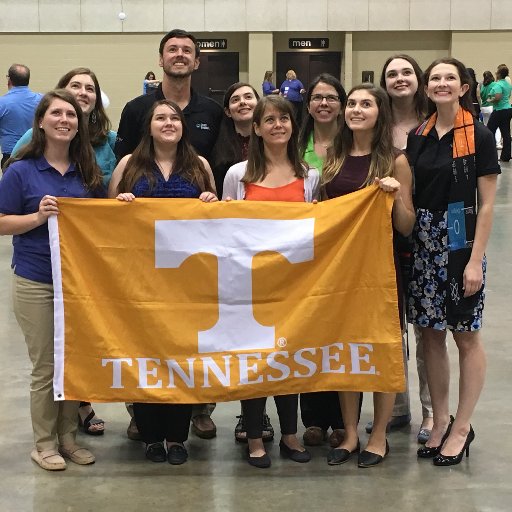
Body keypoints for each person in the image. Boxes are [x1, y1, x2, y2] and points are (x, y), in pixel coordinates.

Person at [108, 99, 217, 464]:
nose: (168, 123)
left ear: (183, 125)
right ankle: (151, 435)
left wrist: (210, 200)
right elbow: (105, 223)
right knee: (146, 353)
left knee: (181, 356)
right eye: (160, 118)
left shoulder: (199, 166)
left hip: (187, 283)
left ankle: (177, 437)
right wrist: (120, 204)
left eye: (174, 117)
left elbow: (217, 219)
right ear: (149, 126)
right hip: (141, 281)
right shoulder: (128, 165)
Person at [0, 89, 103, 471]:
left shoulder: (88, 173)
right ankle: (43, 443)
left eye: (71, 115)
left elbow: (105, 221)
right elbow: (2, 221)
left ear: (79, 125)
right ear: (41, 122)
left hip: (77, 285)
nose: (65, 120)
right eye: (56, 113)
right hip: (35, 281)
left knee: (72, 363)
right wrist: (37, 218)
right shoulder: (21, 171)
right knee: (46, 366)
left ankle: (68, 438)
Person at [407, 58, 499, 466]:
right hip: (425, 242)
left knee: (465, 335)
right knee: (429, 335)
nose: (442, 84)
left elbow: (488, 204)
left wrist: (475, 260)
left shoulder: (477, 134)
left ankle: (462, 426)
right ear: (427, 88)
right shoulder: (418, 136)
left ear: (464, 87)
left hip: (461, 242)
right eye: (436, 78)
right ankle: (441, 419)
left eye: (451, 78)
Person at [322, 83, 415, 468]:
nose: (357, 109)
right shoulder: (332, 157)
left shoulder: (396, 161)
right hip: (339, 272)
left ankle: (378, 435)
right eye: (353, 103)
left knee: (378, 350)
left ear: (380, 113)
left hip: (380, 271)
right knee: (345, 351)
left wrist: (392, 198)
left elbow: (408, 226)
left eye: (366, 104)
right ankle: (349, 433)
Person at [223, 95, 319, 468]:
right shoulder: (238, 174)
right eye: (269, 120)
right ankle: (254, 436)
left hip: (293, 285)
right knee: (254, 362)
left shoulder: (309, 175)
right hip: (249, 284)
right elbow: (224, 229)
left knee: (287, 359)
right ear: (257, 129)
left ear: (293, 125)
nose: (277, 125)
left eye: (284, 118)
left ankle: (290, 434)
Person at [368, 54, 433, 444]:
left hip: (430, 234)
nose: (399, 79)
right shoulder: (378, 123)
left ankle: (430, 411)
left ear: (417, 78)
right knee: (390, 326)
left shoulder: (434, 122)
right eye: (392, 74)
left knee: (426, 330)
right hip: (387, 235)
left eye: (406, 72)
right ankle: (397, 408)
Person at [297, 73, 347, 447]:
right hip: (303, 254)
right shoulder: (298, 144)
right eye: (317, 97)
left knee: (339, 333)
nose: (324, 103)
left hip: (345, 252)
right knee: (306, 332)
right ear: (308, 103)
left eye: (331, 97)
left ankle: (341, 419)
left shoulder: (353, 143)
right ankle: (312, 418)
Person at [115, 28, 223, 165]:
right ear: (161, 60)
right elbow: (122, 163)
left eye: (187, 50)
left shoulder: (213, 111)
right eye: (172, 49)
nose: (180, 54)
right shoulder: (135, 109)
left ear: (196, 63)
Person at [13, 67, 116, 186]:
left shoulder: (110, 140)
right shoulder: (35, 135)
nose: (83, 93)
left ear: (96, 100)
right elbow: (12, 180)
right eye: (75, 86)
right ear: (61, 92)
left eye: (90, 89)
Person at [0, 64, 42, 168]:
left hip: (11, 158)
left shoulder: (2, 103)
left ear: (9, 80)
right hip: (38, 156)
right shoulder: (43, 100)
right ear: (28, 79)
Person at [487, 65, 512, 162]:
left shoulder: (498, 85)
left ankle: (490, 154)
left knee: (489, 131)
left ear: (499, 74)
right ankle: (506, 156)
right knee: (506, 133)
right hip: (508, 109)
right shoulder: (507, 84)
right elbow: (508, 96)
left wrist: (490, 99)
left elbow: (497, 97)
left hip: (499, 110)